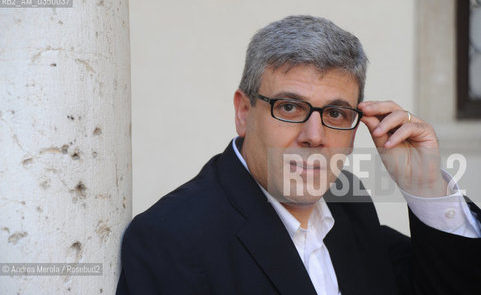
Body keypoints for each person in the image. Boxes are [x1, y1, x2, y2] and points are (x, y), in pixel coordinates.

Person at [116, 15, 481, 295]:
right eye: (289, 107)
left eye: (336, 113)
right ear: (244, 112)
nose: (314, 136)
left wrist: (426, 186)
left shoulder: (346, 199)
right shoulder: (169, 238)